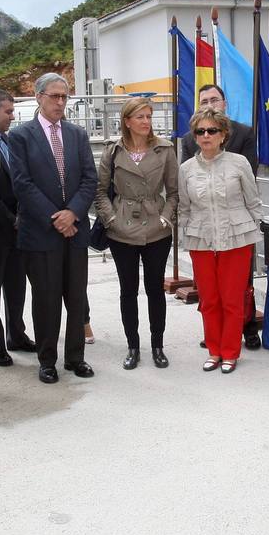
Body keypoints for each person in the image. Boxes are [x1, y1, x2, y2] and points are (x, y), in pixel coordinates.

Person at [9, 73, 97, 385]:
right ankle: (48, 360)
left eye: (64, 97)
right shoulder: (20, 137)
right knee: (45, 300)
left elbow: (90, 179)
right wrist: (55, 217)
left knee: (76, 297)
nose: (60, 102)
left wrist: (72, 213)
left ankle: (76, 358)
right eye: (54, 96)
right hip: (41, 233)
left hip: (74, 232)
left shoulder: (76, 134)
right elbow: (22, 184)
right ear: (39, 97)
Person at [178, 107, 262, 374]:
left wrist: (256, 232)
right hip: (201, 238)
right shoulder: (186, 169)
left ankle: (230, 352)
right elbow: (184, 207)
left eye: (211, 130)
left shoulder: (239, 163)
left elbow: (253, 201)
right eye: (200, 131)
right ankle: (213, 350)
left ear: (223, 134)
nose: (205, 135)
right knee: (209, 299)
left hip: (237, 238)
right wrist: (185, 235)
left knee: (232, 299)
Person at [96, 98, 177, 370]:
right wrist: (110, 219)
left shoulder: (164, 150)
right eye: (140, 117)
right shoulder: (113, 151)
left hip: (156, 227)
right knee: (128, 290)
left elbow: (174, 192)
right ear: (127, 121)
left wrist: (166, 217)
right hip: (122, 228)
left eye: (148, 116)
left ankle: (158, 346)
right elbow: (100, 191)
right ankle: (133, 346)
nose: (146, 122)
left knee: (155, 289)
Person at [0, 88, 35, 368]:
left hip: (19, 226)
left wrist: (23, 216)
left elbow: (23, 181)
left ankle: (17, 335)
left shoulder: (11, 142)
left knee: (16, 285)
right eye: (8, 112)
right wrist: (10, 218)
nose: (12, 117)